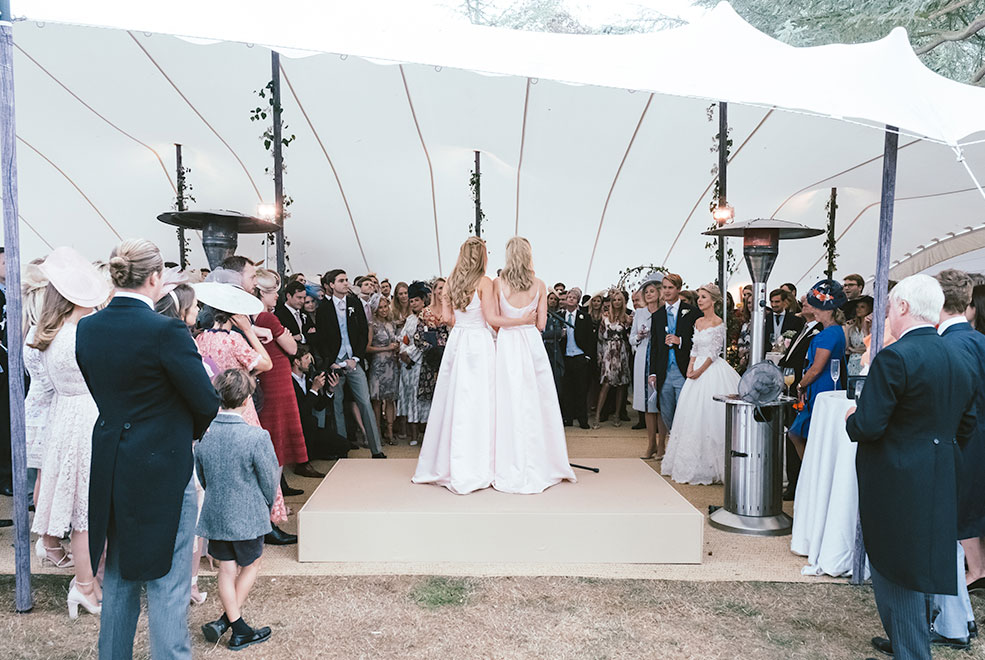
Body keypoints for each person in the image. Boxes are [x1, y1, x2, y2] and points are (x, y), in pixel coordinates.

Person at [76, 239, 221, 658]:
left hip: (112, 458)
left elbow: (103, 389)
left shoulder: (89, 326)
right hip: (162, 463)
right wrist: (183, 430)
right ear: (155, 277)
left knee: (120, 571)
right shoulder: (166, 329)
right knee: (168, 577)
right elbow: (206, 401)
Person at [846, 274, 976, 660]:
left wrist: (853, 416)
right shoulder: (958, 353)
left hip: (896, 476)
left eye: (889, 307)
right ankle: (910, 637)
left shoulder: (895, 356)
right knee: (921, 563)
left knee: (894, 568)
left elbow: (868, 426)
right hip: (942, 470)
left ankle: (912, 649)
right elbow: (966, 423)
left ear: (902, 307)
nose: (886, 314)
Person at [412, 237, 533, 494]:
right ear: (482, 257)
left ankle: (452, 461)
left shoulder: (451, 283)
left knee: (456, 399)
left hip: (458, 342)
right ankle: (481, 464)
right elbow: (491, 318)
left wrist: (463, 325)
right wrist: (521, 320)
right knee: (482, 401)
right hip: (479, 343)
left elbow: (447, 318)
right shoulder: (485, 282)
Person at [29, 248, 112, 614]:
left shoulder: (52, 334)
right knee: (86, 513)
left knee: (86, 510)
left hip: (67, 417)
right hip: (87, 419)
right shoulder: (78, 336)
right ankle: (83, 585)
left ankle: (90, 581)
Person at [196, 369, 277, 651]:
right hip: (247, 513)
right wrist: (268, 504)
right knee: (252, 563)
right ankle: (239, 629)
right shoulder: (256, 436)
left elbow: (202, 476)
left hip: (217, 512)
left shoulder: (205, 436)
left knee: (227, 570)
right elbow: (269, 480)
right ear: (246, 400)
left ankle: (226, 622)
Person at [492, 237, 576, 494]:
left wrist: (512, 320)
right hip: (530, 342)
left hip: (507, 343)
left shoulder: (497, 283)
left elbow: (495, 321)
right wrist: (525, 319)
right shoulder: (539, 284)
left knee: (507, 398)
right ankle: (542, 458)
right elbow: (541, 324)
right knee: (536, 400)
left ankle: (507, 458)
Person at [932, 269, 983, 646]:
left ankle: (953, 625)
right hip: (976, 449)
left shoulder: (949, 347)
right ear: (968, 303)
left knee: (943, 534)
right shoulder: (979, 340)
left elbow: (958, 408)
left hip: (961, 450)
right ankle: (961, 618)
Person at [660, 284, 740, 485]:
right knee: (691, 415)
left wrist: (699, 370)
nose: (700, 301)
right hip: (695, 368)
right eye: (699, 298)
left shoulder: (718, 322)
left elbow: (713, 353)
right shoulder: (697, 322)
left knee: (711, 415)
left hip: (711, 370)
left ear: (713, 300)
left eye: (703, 297)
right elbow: (694, 348)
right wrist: (689, 367)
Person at [254, 269, 322, 480]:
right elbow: (292, 348)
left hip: (271, 378)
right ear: (261, 293)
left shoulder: (256, 318)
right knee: (278, 436)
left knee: (275, 433)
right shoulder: (267, 318)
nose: (277, 295)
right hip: (277, 382)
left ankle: (277, 493)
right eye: (272, 291)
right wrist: (284, 334)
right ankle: (276, 497)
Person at [315, 269, 386, 458]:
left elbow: (363, 333)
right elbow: (321, 339)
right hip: (334, 363)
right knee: (337, 405)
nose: (346, 283)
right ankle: (342, 450)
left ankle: (376, 450)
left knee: (365, 402)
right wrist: (331, 363)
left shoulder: (355, 303)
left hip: (353, 362)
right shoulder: (323, 308)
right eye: (341, 280)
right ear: (331, 285)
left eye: (346, 280)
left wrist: (355, 358)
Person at [787, 280, 846, 460]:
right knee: (806, 433)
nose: (812, 310)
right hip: (827, 384)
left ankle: (810, 470)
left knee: (801, 433)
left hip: (822, 386)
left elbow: (816, 368)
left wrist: (800, 385)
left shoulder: (828, 333)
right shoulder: (835, 330)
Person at [647, 274, 696, 456]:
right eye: (664, 287)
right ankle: (676, 445)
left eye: (670, 288)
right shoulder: (658, 315)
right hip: (664, 371)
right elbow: (654, 346)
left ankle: (682, 451)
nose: (666, 291)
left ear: (678, 289)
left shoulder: (691, 312)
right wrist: (652, 372)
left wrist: (680, 341)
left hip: (683, 371)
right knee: (666, 412)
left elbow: (699, 341)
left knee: (685, 412)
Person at [777, 302, 820, 500]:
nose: (804, 304)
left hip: (801, 388)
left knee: (797, 434)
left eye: (809, 303)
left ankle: (798, 483)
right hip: (791, 385)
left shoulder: (819, 330)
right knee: (790, 433)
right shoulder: (803, 328)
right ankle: (793, 481)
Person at [290, 345, 349, 460]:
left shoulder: (307, 378)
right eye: (306, 358)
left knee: (344, 445)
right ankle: (307, 459)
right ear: (297, 362)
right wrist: (314, 389)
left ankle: (316, 452)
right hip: (297, 427)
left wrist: (330, 390)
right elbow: (302, 410)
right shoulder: (289, 382)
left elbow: (318, 406)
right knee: (311, 422)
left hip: (311, 429)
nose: (310, 362)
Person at [634, 280, 665, 460]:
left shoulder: (664, 313)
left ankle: (662, 445)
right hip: (642, 356)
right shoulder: (639, 313)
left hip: (659, 357)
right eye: (646, 292)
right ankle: (651, 443)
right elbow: (630, 339)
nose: (649, 295)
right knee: (647, 404)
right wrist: (638, 336)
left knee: (659, 403)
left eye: (652, 291)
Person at [397, 282, 431, 445]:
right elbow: (403, 338)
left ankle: (425, 434)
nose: (414, 303)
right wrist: (403, 352)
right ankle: (413, 434)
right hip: (407, 365)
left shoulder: (429, 317)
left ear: (423, 300)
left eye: (417, 300)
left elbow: (425, 342)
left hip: (421, 363)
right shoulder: (410, 319)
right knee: (410, 396)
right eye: (411, 301)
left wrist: (410, 355)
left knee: (422, 398)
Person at [593, 289, 632, 429]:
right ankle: (597, 415)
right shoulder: (605, 318)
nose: (616, 302)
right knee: (606, 384)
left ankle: (617, 415)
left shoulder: (627, 318)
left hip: (621, 352)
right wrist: (600, 356)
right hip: (608, 352)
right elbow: (600, 339)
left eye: (619, 300)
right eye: (614, 300)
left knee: (621, 384)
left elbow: (630, 338)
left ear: (623, 302)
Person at [367, 296, 400, 445]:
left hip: (392, 364)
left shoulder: (391, 323)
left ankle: (390, 432)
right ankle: (377, 433)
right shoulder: (372, 325)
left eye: (385, 306)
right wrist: (386, 348)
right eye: (380, 307)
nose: (384, 310)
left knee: (391, 399)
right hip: (378, 365)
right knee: (377, 401)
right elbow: (367, 348)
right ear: (375, 309)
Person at [559, 287, 593, 430]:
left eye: (574, 297)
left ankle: (582, 419)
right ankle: (568, 417)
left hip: (579, 356)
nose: (571, 299)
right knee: (567, 389)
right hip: (565, 357)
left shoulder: (584, 317)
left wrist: (587, 356)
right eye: (569, 297)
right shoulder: (559, 316)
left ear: (578, 300)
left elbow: (590, 339)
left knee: (581, 389)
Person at [541, 290, 565, 395]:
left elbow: (561, 333)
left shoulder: (558, 316)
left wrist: (555, 333)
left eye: (555, 299)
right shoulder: (541, 313)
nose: (553, 301)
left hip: (554, 350)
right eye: (551, 298)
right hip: (543, 348)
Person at [843, 294, 873, 376]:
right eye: (857, 307)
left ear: (869, 308)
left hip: (865, 363)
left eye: (862, 307)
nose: (858, 309)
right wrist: (847, 328)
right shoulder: (852, 326)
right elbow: (846, 347)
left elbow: (871, 347)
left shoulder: (873, 327)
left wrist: (854, 350)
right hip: (852, 363)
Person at [275, 280, 310, 345]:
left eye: (304, 298)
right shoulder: (279, 315)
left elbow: (314, 334)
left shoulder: (304, 313)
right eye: (299, 297)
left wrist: (301, 337)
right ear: (288, 296)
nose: (302, 301)